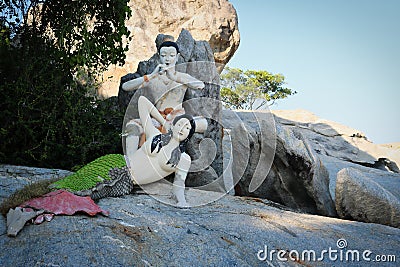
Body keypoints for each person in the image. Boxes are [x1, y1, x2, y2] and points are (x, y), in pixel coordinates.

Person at [121, 40, 207, 157]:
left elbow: (200, 85)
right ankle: (130, 163)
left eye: (171, 56)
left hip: (178, 118)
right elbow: (125, 86)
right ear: (158, 57)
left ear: (177, 57)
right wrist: (150, 76)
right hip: (157, 118)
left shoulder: (181, 77)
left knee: (203, 123)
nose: (167, 59)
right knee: (131, 126)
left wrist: (174, 76)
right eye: (163, 56)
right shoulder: (153, 79)